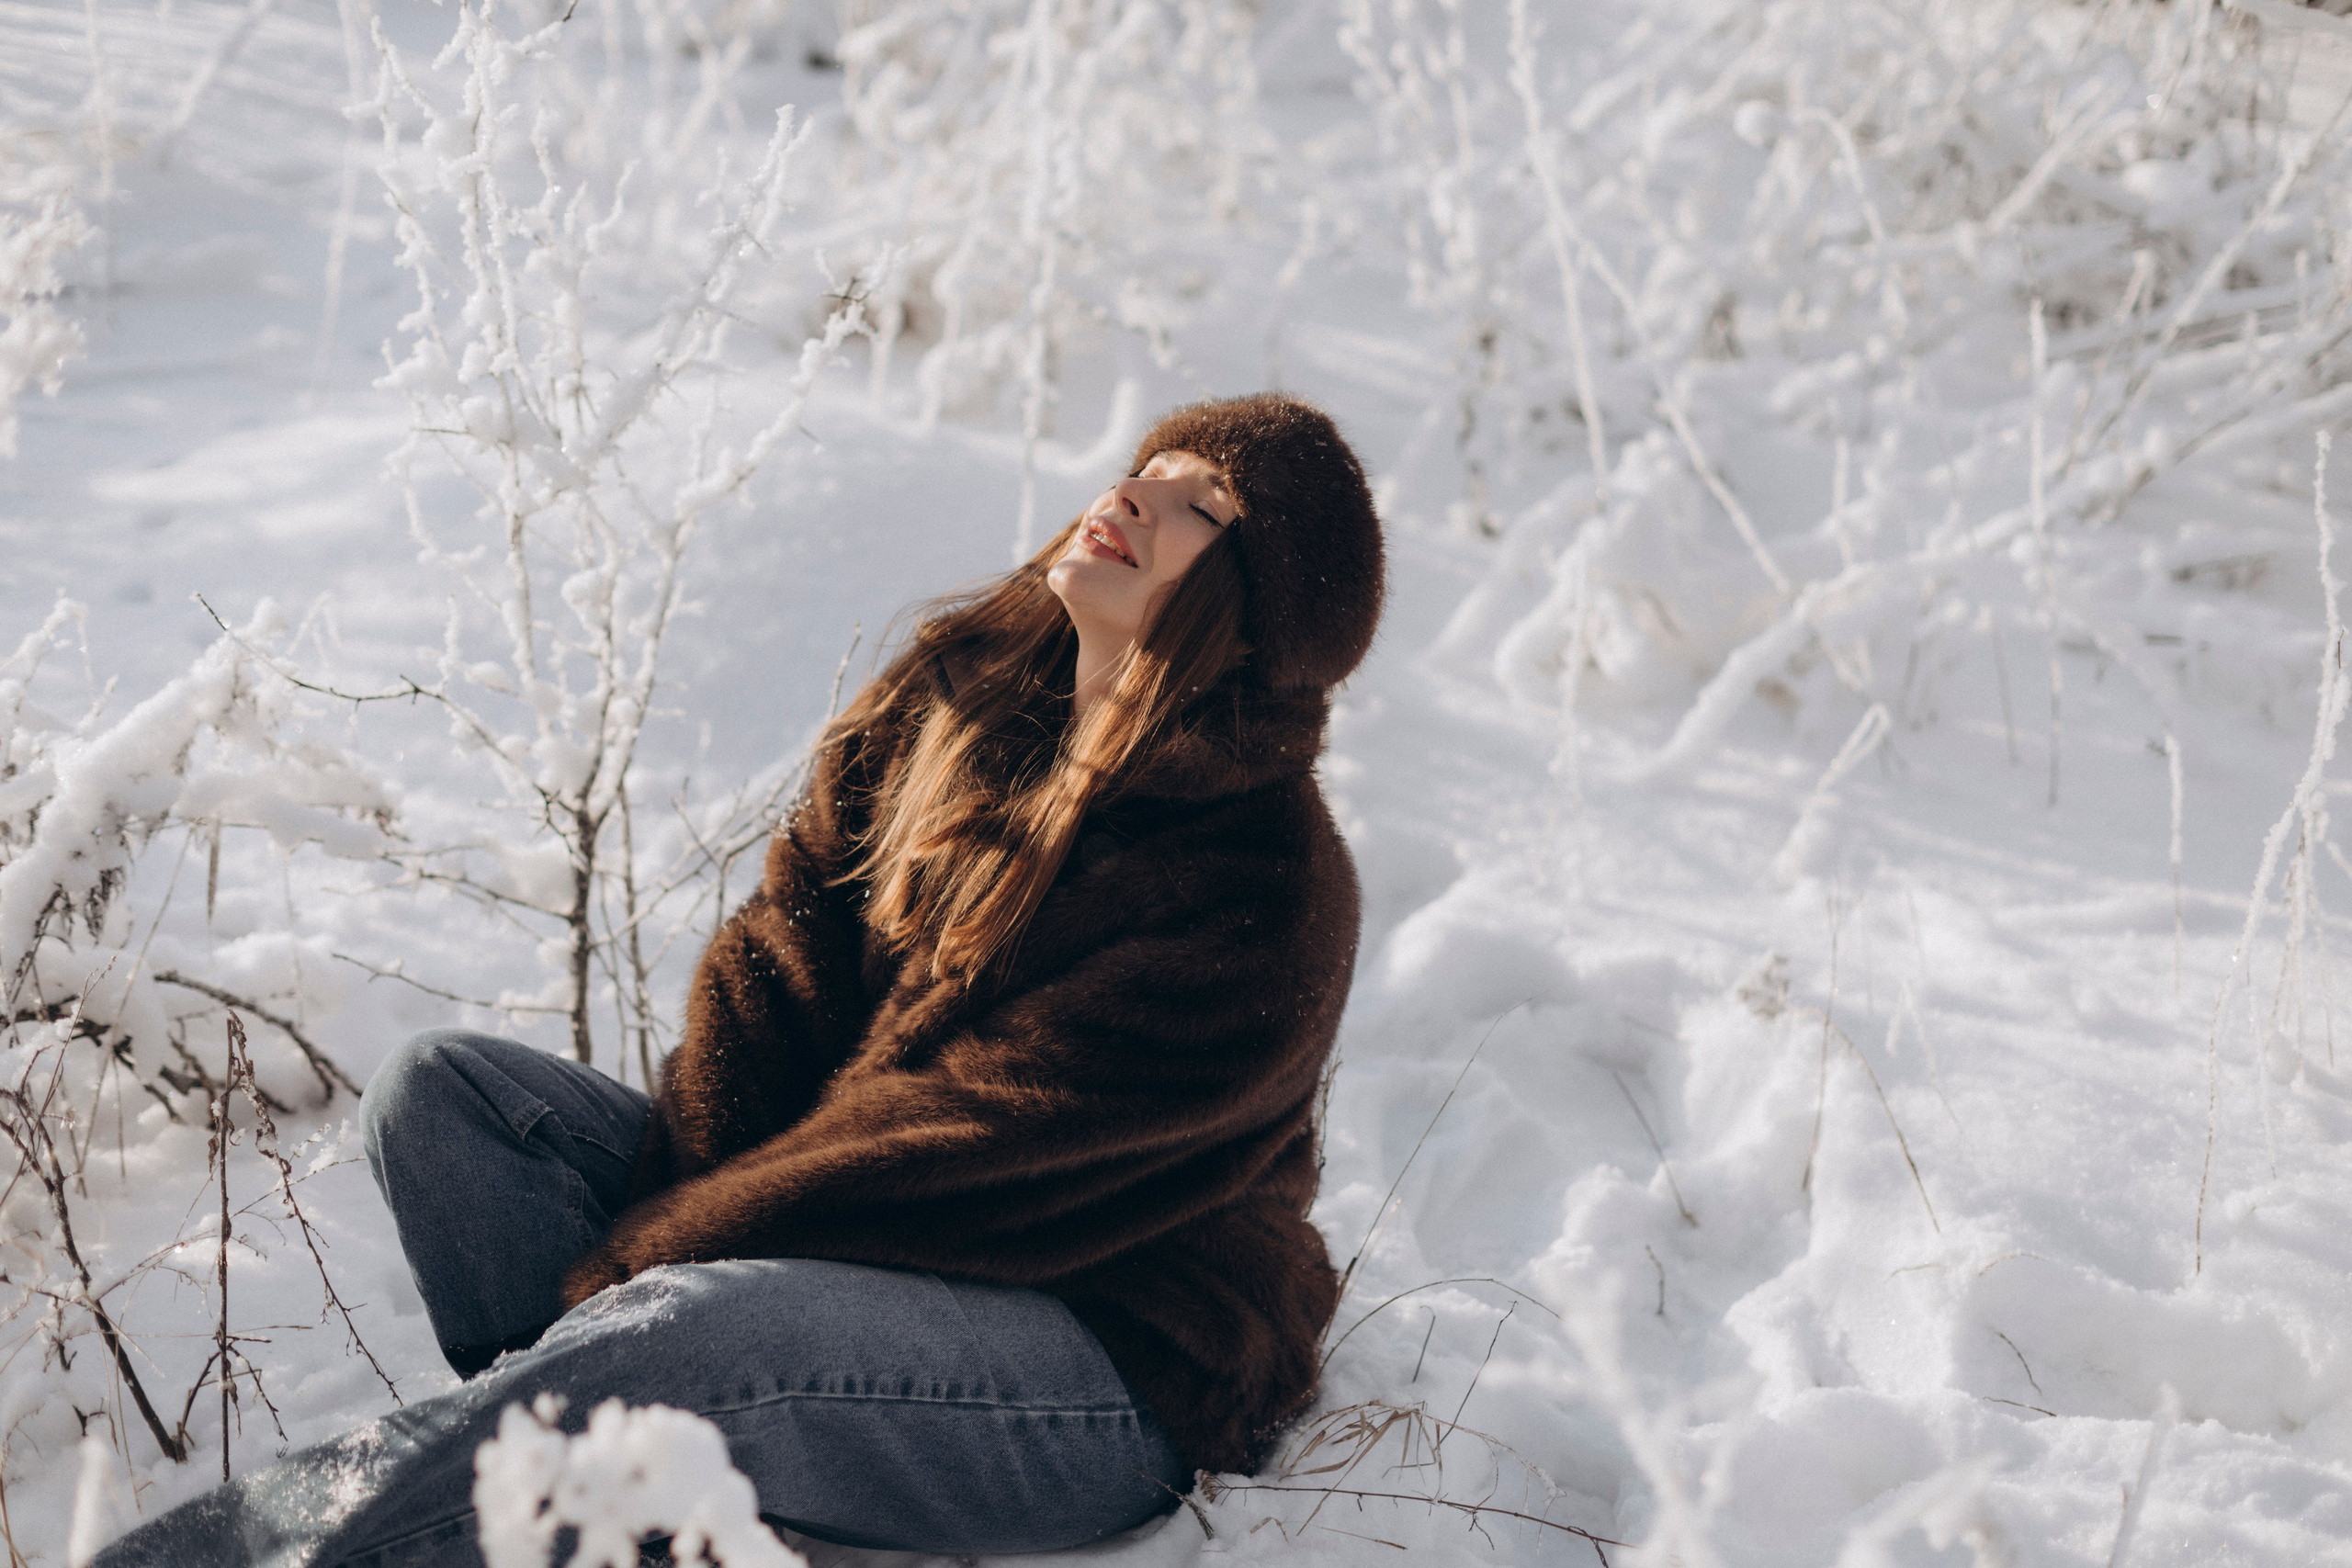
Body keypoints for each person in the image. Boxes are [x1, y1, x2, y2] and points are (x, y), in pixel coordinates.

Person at [96, 392, 1385, 1566]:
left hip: (1113, 1353)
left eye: (1200, 509)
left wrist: (665, 1269)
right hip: (859, 1251)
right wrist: (676, 1237)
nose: (1137, 497)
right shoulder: (959, 703)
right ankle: (621, 1501)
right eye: (1148, 469)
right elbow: (777, 973)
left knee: (677, 1343)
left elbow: (973, 1151)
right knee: (450, 1104)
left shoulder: (1266, 882)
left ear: (1256, 616)